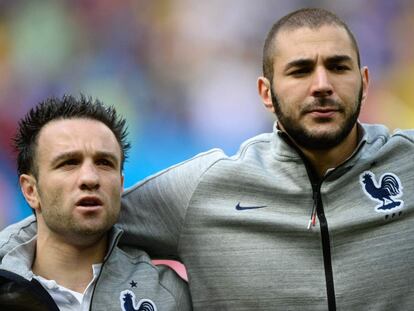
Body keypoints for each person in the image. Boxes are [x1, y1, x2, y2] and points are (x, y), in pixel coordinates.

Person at [118, 8, 414, 310]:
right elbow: (81, 231)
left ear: (364, 83)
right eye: (300, 70)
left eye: (338, 67)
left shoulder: (409, 162)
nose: (322, 84)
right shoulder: (201, 190)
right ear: (266, 93)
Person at [0, 95, 191, 310]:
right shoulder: (5, 293)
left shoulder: (169, 295)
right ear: (30, 190)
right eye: (69, 163)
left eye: (104, 163)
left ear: (120, 186)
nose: (90, 178)